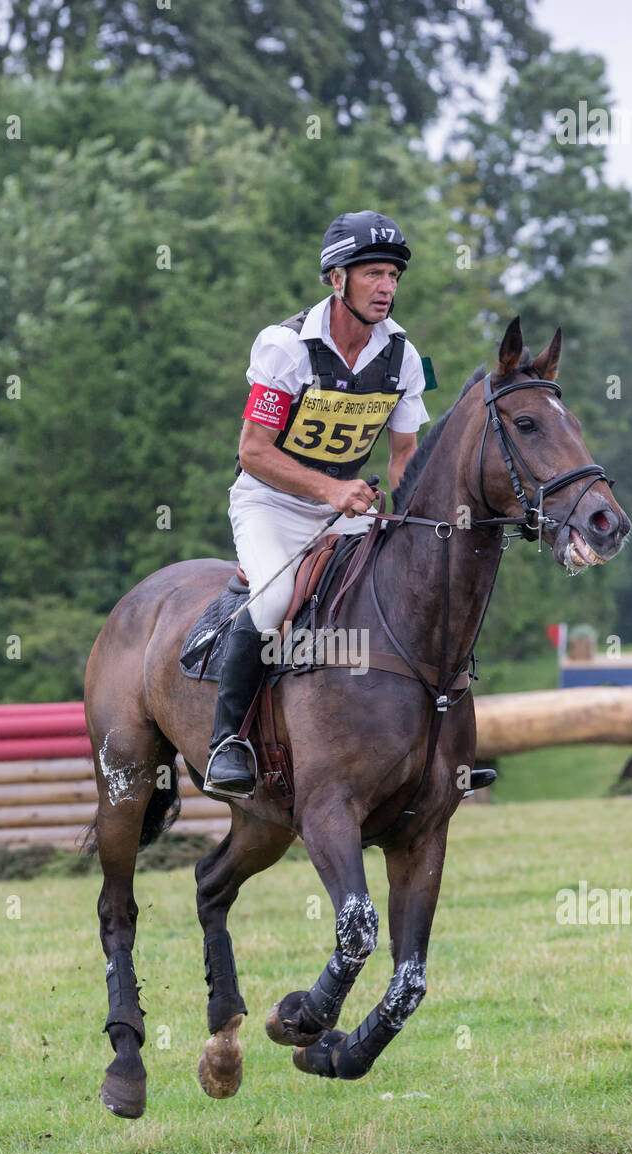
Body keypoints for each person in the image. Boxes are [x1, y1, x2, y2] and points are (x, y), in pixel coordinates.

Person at [205, 210, 430, 797]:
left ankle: (433, 741)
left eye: (393, 276)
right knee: (274, 598)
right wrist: (332, 490)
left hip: (348, 510)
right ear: (337, 279)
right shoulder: (285, 348)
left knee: (412, 589)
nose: (387, 287)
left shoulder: (402, 355)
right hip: (271, 504)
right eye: (374, 275)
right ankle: (228, 740)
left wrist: (403, 517)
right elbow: (253, 452)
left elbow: (404, 453)